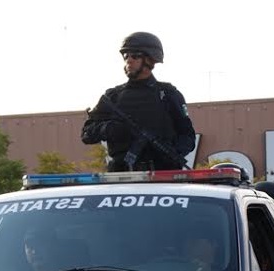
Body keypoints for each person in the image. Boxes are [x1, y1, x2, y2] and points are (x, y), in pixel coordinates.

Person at [81, 31, 196, 172]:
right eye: (126, 56)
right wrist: (110, 128)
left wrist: (172, 152)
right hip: (123, 178)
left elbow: (188, 136)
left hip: (163, 176)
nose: (129, 60)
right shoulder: (112, 97)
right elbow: (87, 134)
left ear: (151, 59)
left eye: (135, 56)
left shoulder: (167, 94)